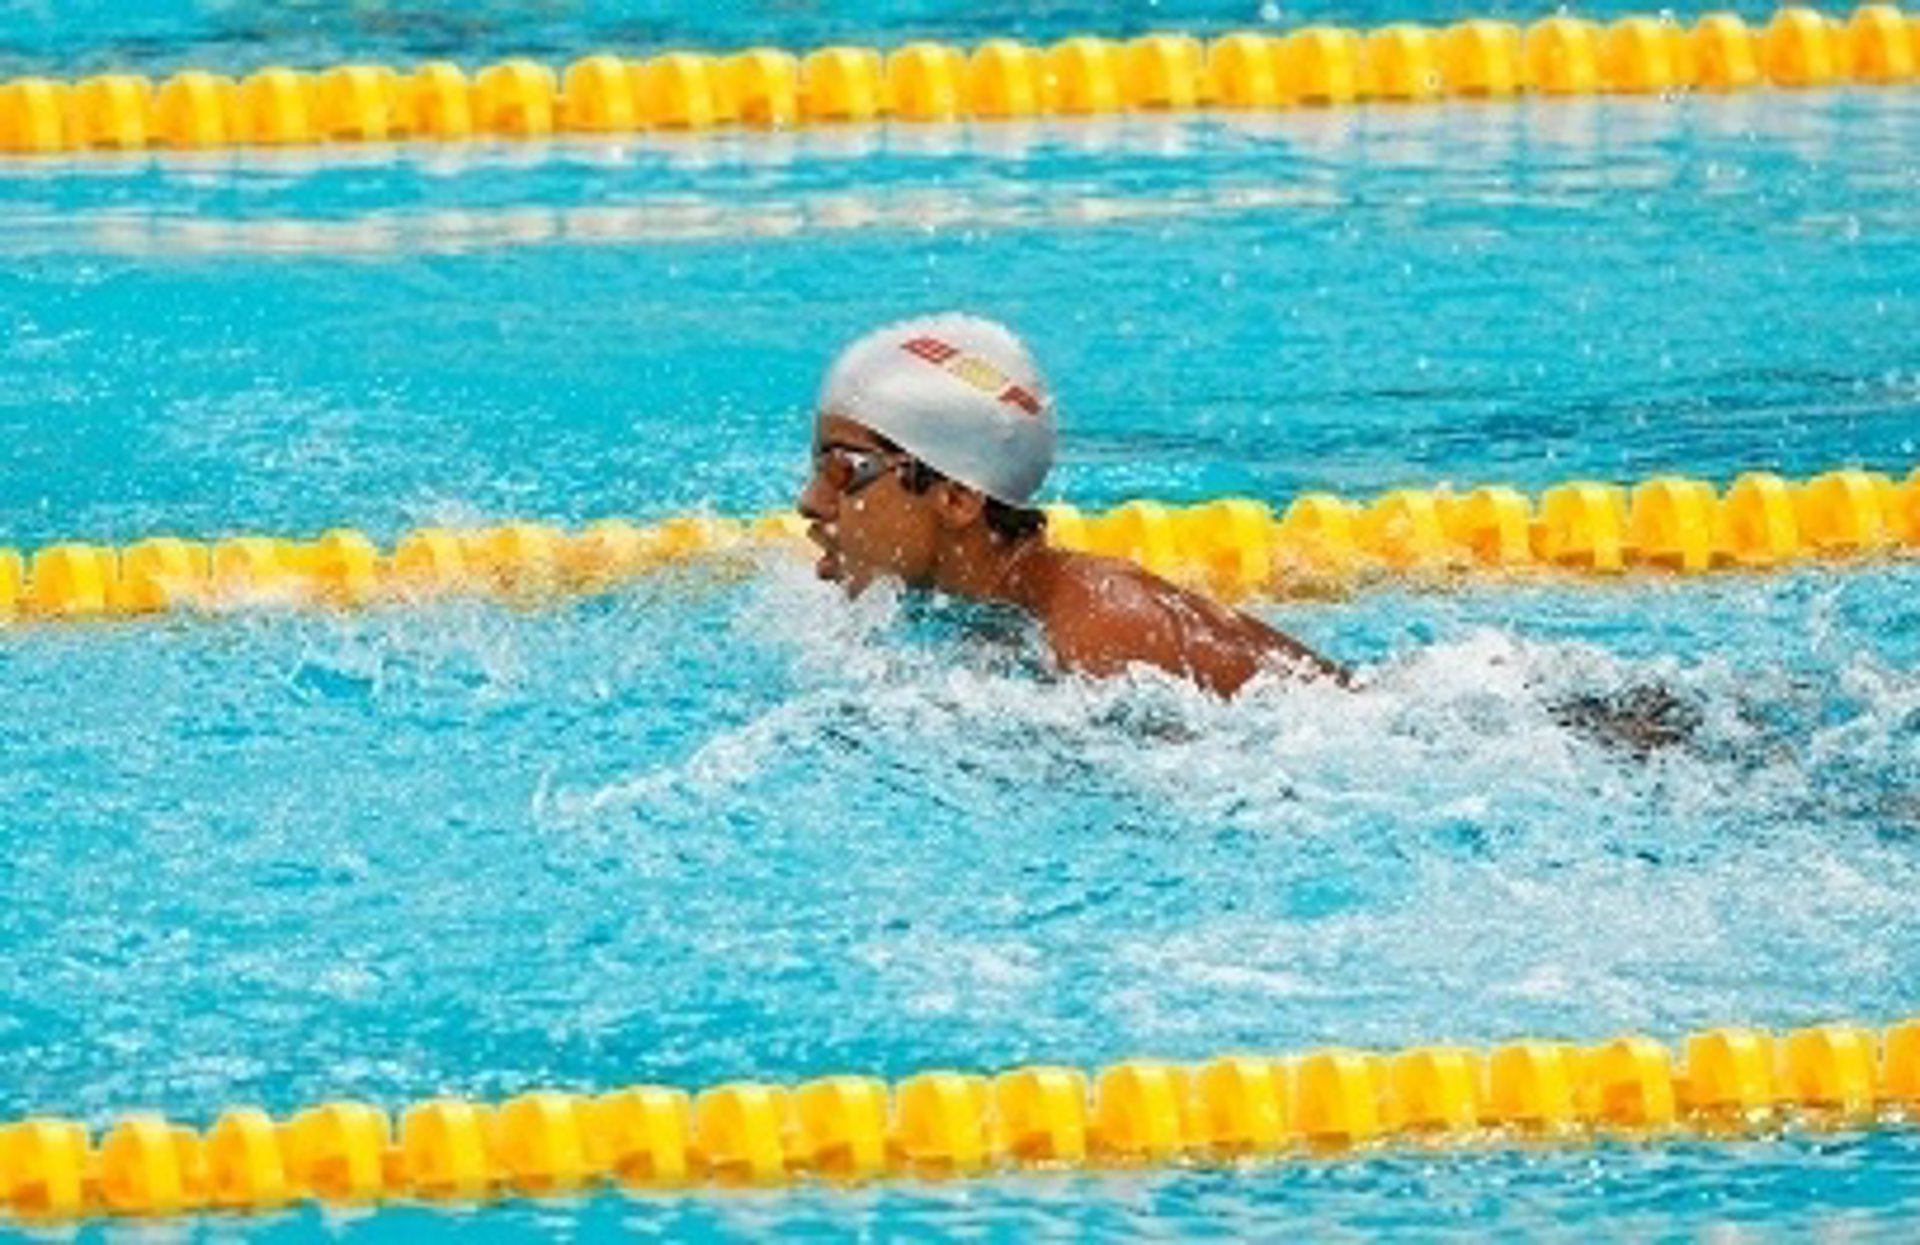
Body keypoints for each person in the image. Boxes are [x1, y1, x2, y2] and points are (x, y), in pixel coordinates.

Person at [797, 313, 1349, 697]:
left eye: (843, 468)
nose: (810, 503)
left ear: (958, 497)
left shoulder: (1102, 626)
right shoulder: (970, 610)